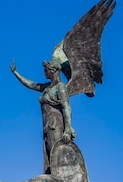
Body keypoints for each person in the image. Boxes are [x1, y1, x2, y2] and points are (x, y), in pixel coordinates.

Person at [10, 45, 75, 175]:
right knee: (51, 158)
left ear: (53, 70)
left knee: (58, 157)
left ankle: (67, 181)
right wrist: (15, 73)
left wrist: (68, 129)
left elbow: (66, 108)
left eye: (46, 70)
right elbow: (31, 84)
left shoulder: (60, 88)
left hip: (56, 125)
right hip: (47, 127)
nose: (44, 73)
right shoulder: (47, 87)